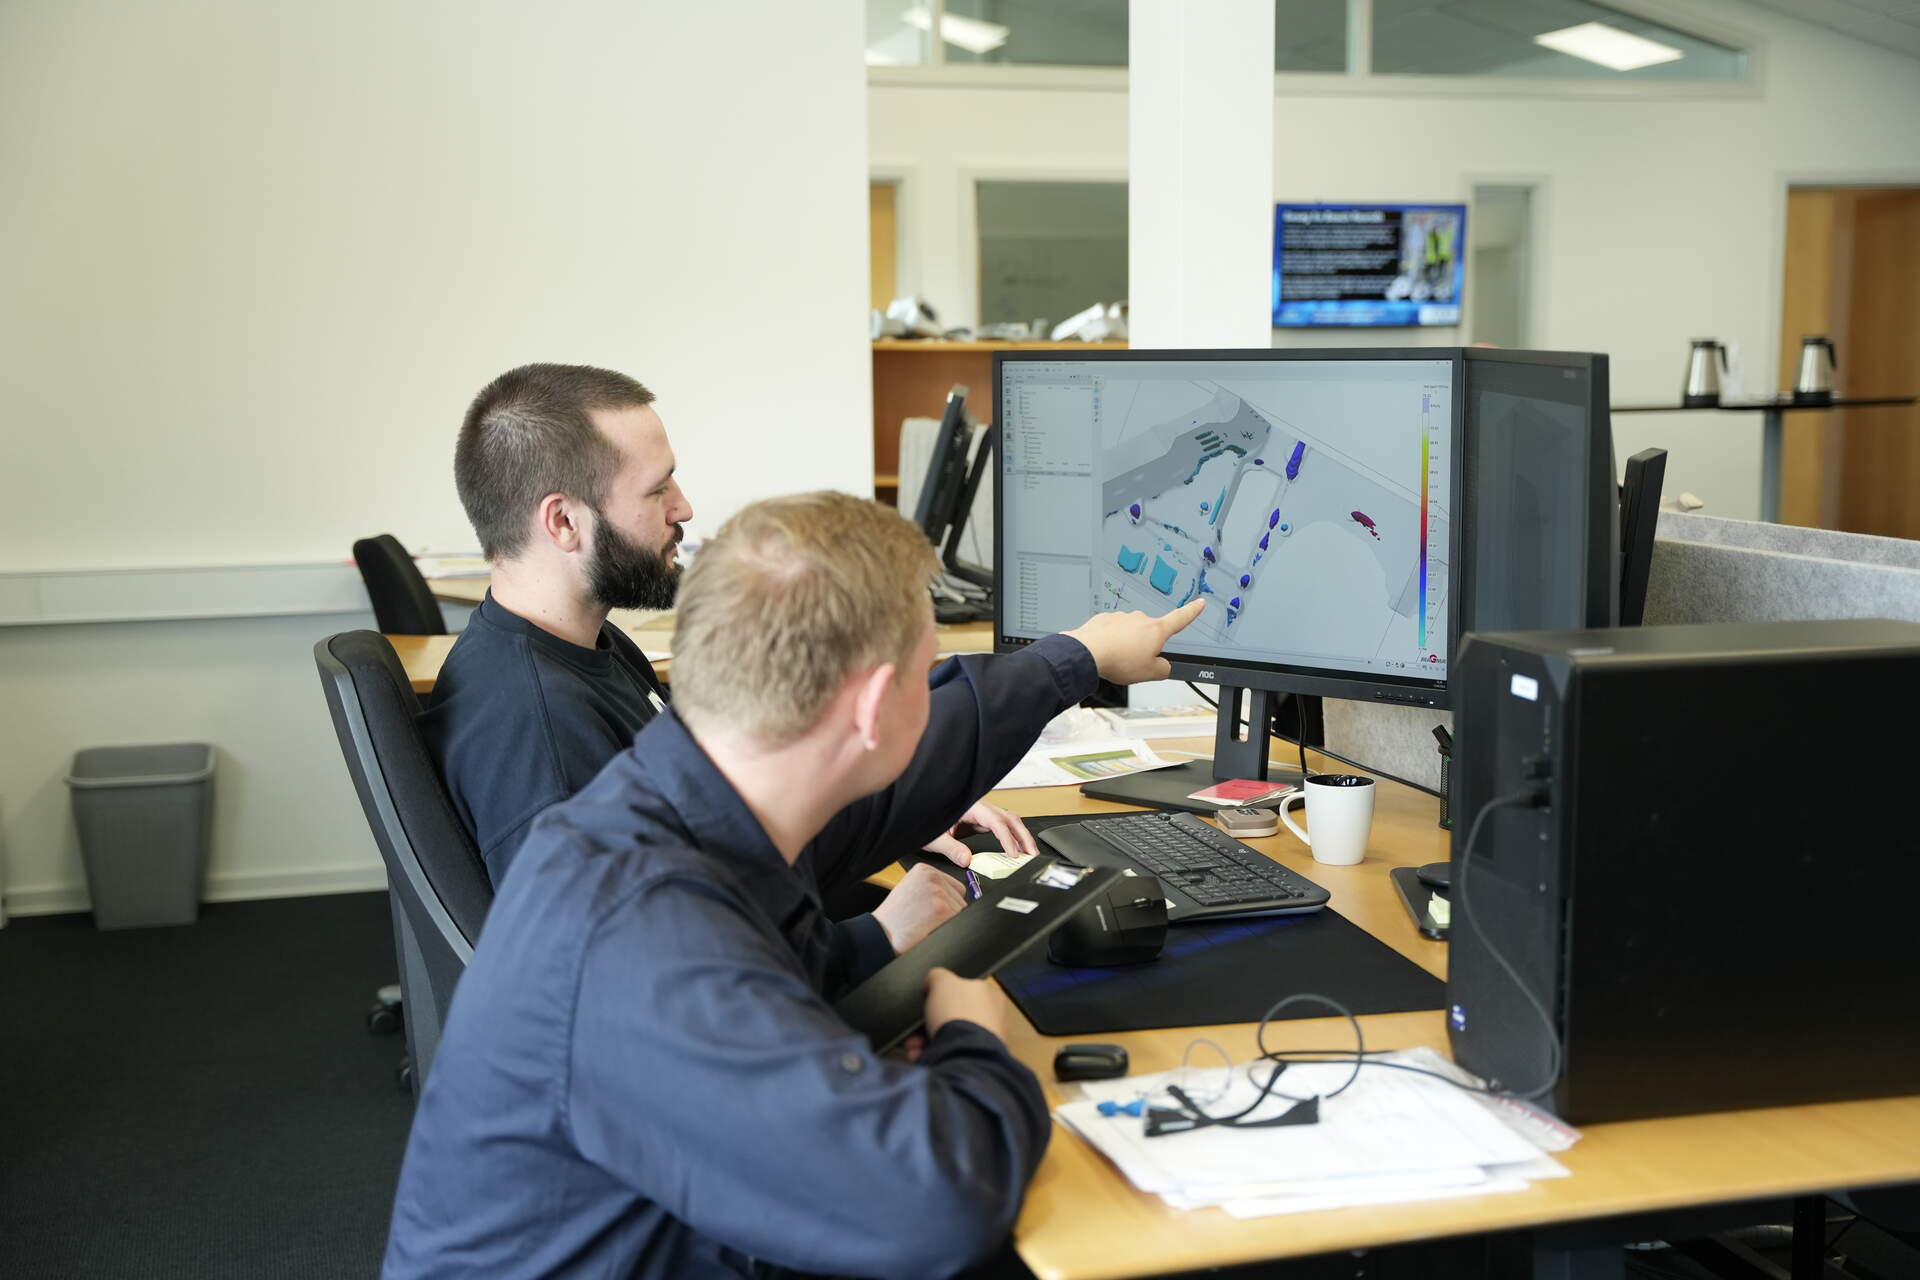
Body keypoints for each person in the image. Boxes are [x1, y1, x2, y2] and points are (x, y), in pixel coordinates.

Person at [384, 492, 1203, 1279]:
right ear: (874, 709)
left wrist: (878, 959)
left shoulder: (677, 805)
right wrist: (976, 1043)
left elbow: (774, 967)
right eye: (926, 674)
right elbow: (933, 1208)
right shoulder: (642, 928)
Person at [422, 363, 1033, 887]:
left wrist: (898, 809)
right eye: (657, 490)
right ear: (562, 522)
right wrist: (877, 943)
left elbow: (718, 814)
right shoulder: (540, 735)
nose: (683, 507)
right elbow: (636, 973)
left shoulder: (588, 648)